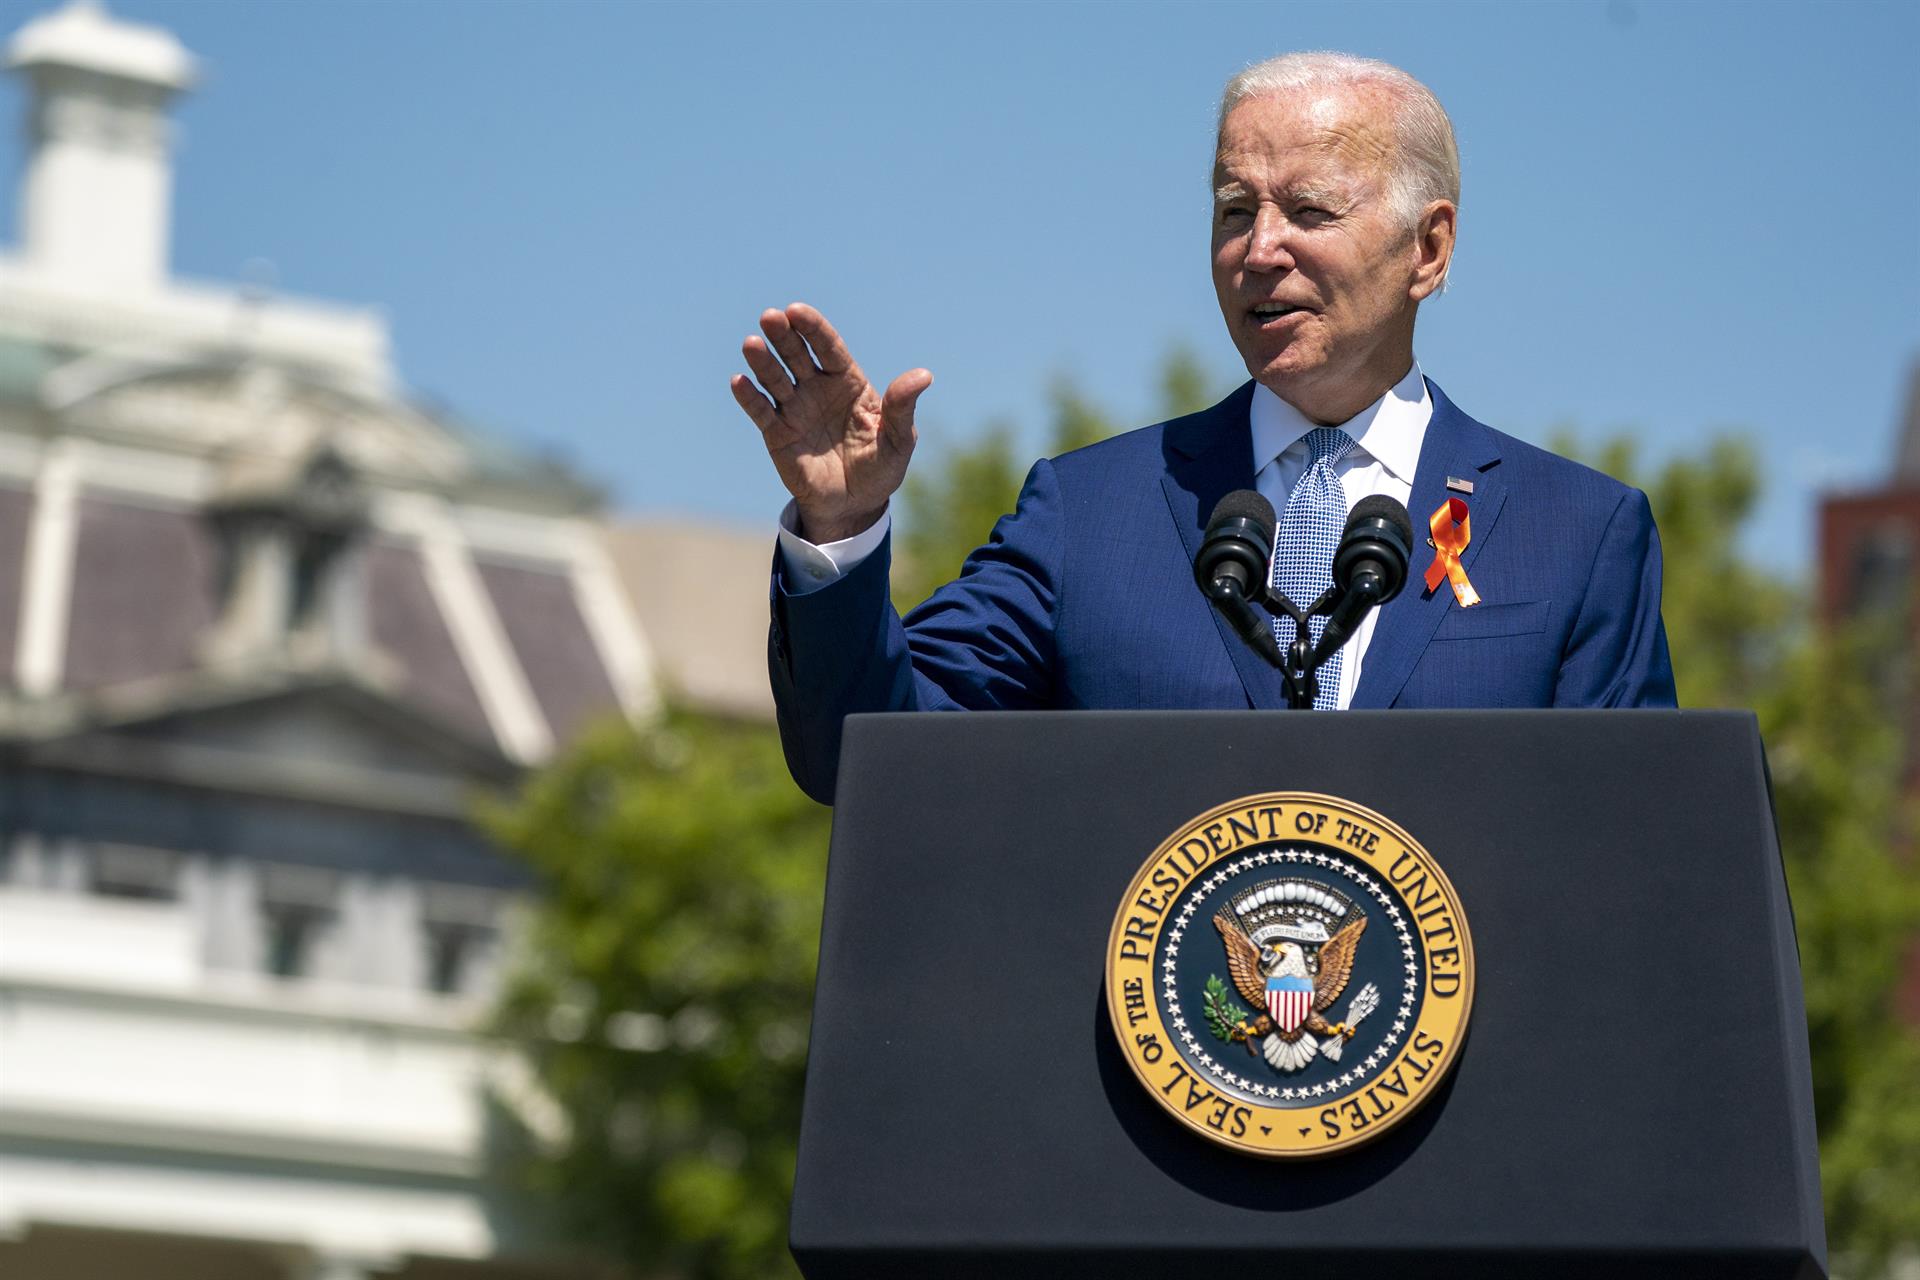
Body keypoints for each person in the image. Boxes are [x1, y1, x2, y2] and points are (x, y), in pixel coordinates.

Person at [729, 52, 1676, 805]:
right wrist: (840, 533)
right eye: (1234, 211)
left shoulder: (1577, 535)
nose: (1260, 250)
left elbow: (1636, 844)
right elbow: (874, 756)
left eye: (1309, 210)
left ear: (1427, 248)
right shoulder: (1091, 511)